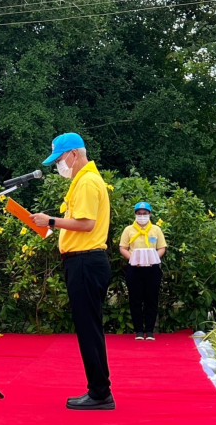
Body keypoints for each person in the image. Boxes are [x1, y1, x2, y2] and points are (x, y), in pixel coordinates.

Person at [31, 133, 113, 410]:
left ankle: (100, 393)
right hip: (83, 261)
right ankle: (99, 390)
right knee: (89, 328)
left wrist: (51, 221)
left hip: (85, 261)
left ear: (74, 154)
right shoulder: (84, 180)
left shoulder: (87, 182)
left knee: (89, 329)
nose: (59, 166)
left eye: (60, 160)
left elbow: (87, 224)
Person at [119, 201, 166, 340]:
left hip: (152, 268)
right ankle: (139, 331)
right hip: (135, 268)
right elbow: (123, 248)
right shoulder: (128, 230)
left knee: (151, 299)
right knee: (135, 299)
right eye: (139, 213)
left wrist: (153, 258)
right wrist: (134, 259)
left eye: (145, 213)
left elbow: (162, 247)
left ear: (150, 214)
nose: (142, 216)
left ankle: (150, 331)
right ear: (135, 214)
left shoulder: (156, 230)